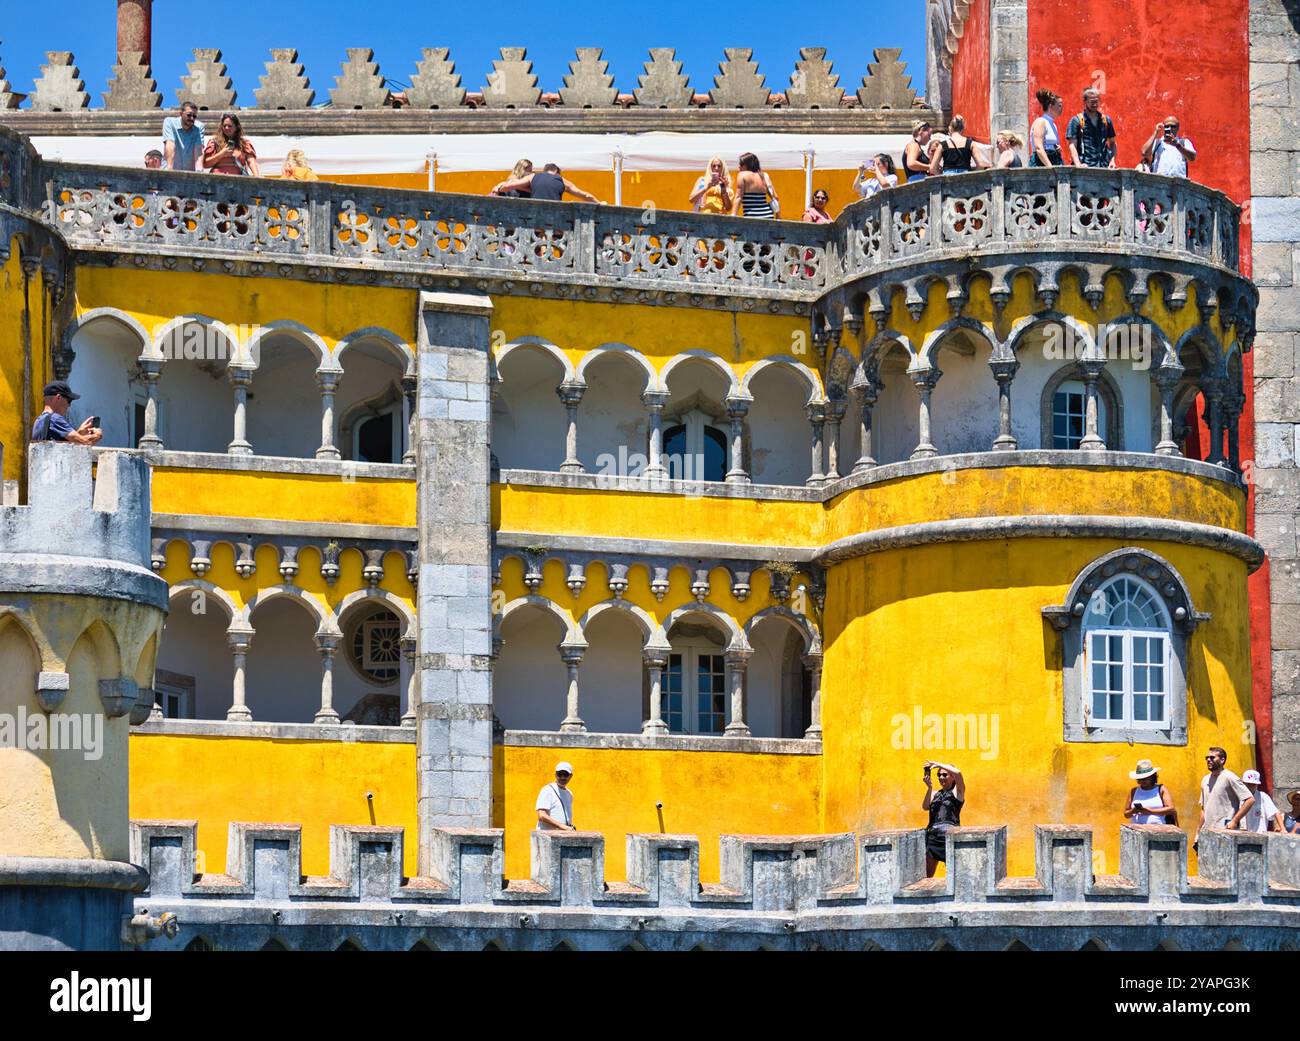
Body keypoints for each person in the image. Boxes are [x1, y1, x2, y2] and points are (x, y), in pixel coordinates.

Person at [1198, 747, 1254, 843]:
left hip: (1225, 832)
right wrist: (1198, 832)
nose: (1208, 760)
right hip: (1207, 833)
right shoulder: (1205, 779)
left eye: (1212, 758)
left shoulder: (1229, 777)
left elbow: (1250, 799)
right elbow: (1203, 809)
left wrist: (1234, 821)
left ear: (1222, 760)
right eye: (1206, 758)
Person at [921, 760, 964, 877]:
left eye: (945, 775)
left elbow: (958, 773)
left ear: (952, 777)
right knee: (927, 876)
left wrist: (938, 764)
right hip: (933, 839)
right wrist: (929, 788)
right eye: (939, 775)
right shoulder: (935, 793)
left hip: (950, 838)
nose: (941, 777)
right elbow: (925, 807)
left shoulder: (957, 792)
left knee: (953, 876)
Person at [31, 380, 102, 446]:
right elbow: (85, 442)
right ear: (58, 398)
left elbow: (68, 445)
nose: (69, 405)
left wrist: (79, 432)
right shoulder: (55, 419)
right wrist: (97, 435)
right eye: (69, 401)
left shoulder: (39, 420)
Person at [492, 162, 599, 203]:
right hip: (555, 219)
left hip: (534, 218)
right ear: (557, 172)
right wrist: (599, 203)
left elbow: (509, 186)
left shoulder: (533, 177)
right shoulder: (561, 180)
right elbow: (585, 195)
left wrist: (499, 187)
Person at [1066, 87, 1117, 169]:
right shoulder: (1077, 121)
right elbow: (1072, 145)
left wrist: (1112, 160)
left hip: (1104, 167)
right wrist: (1078, 164)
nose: (1095, 104)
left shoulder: (1106, 120)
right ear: (1084, 101)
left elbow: (1112, 143)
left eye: (1097, 101)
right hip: (1085, 168)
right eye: (1092, 102)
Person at [1123, 759, 1178, 825]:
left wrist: (1150, 811)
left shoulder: (1161, 789)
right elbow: (1126, 814)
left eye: (1146, 778)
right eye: (1141, 778)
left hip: (1158, 830)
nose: (1143, 780)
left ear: (1152, 777)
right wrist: (1133, 811)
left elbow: (1171, 809)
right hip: (1137, 830)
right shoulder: (1134, 791)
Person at [1142, 114, 1197, 178]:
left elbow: (1192, 157)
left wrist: (1177, 145)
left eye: (1173, 126)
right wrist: (1156, 132)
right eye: (1167, 126)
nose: (1170, 128)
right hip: (1159, 181)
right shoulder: (1158, 142)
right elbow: (1144, 153)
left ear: (1178, 128)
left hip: (1178, 182)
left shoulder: (1184, 142)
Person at [732, 152, 779, 218]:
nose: (739, 166)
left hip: (752, 216)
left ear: (747, 165)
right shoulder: (764, 176)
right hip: (768, 215)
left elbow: (738, 197)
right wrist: (778, 216)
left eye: (741, 164)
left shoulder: (742, 175)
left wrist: (733, 216)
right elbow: (776, 197)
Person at [162, 101, 204, 172]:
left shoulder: (199, 126)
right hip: (170, 170)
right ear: (181, 114)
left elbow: (198, 150)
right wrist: (169, 168)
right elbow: (170, 145)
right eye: (189, 115)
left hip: (189, 174)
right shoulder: (169, 122)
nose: (192, 118)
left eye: (194, 116)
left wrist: (199, 170)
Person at [536, 761, 576, 831]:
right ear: (555, 775)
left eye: (565, 774)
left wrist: (568, 826)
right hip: (546, 837)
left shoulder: (569, 794)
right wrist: (562, 826)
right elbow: (541, 815)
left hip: (562, 836)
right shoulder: (547, 790)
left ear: (570, 776)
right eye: (559, 774)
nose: (562, 777)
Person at [1029, 88, 1065, 167]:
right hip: (1041, 163)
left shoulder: (1053, 125)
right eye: (1059, 106)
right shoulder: (1041, 122)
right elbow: (1038, 147)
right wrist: (1049, 166)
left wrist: (1056, 148)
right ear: (1050, 106)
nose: (1061, 108)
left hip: (1054, 160)